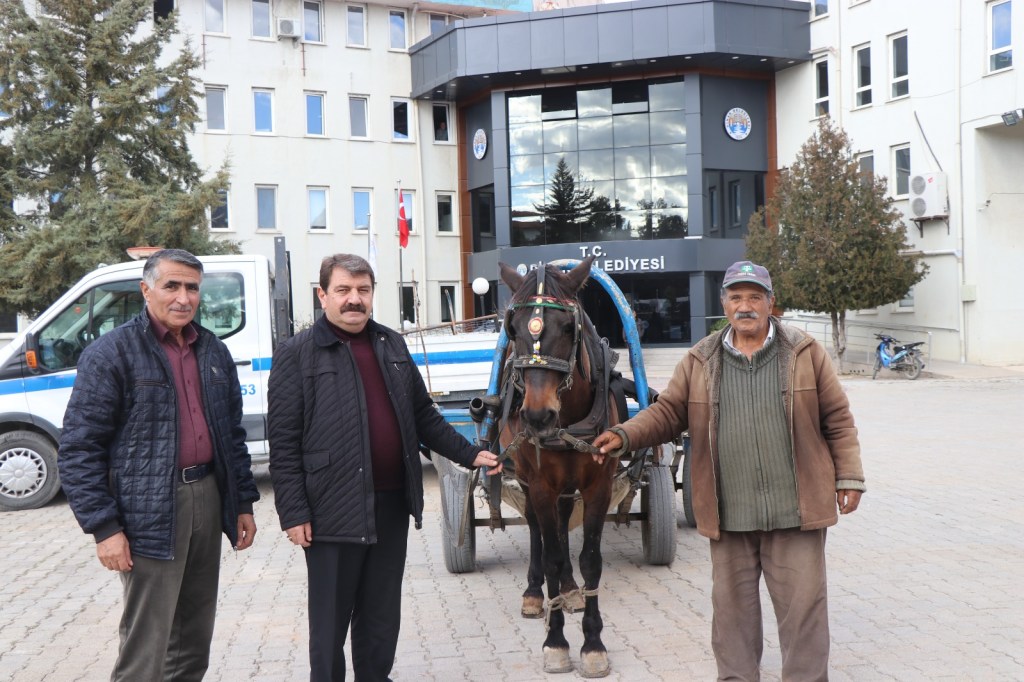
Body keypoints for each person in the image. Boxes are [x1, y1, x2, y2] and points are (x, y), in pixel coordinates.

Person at [594, 260, 865, 681]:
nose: (745, 306)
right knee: (732, 615)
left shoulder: (805, 352)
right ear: (724, 304)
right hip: (728, 512)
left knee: (804, 613)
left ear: (771, 303)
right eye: (736, 297)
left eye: (755, 297)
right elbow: (668, 412)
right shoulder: (701, 358)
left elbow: (838, 419)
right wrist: (624, 434)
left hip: (795, 511)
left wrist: (849, 476)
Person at [268, 253, 501, 682]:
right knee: (330, 622)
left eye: (363, 290)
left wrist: (468, 453)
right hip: (331, 509)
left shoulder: (390, 343)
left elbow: (423, 414)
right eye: (343, 290)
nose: (354, 299)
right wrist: (294, 512)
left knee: (380, 614)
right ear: (323, 295)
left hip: (391, 504)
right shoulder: (297, 354)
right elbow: (283, 443)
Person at [59, 248, 259, 681]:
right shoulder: (112, 353)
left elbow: (231, 435)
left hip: (207, 496)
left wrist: (242, 502)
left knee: (193, 639)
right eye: (172, 286)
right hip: (148, 509)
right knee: (147, 647)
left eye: (192, 288)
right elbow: (79, 448)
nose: (183, 297)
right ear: (146, 290)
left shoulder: (213, 351)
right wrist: (104, 528)